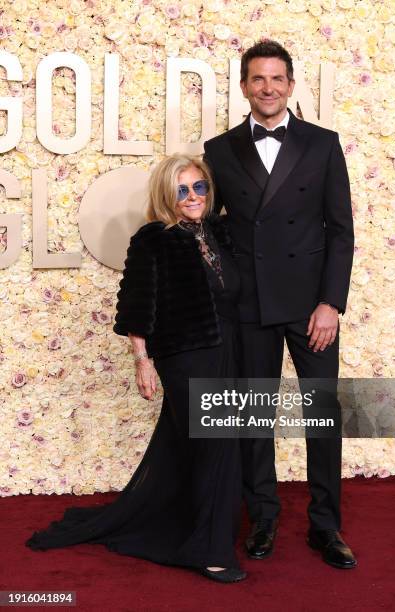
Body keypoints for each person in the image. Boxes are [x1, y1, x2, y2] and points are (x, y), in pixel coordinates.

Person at [25, 155, 247, 583]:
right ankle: (210, 550)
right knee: (215, 444)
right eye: (182, 189)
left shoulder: (219, 231)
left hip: (229, 350)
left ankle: (187, 525)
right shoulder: (153, 240)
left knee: (215, 445)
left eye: (199, 187)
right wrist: (142, 362)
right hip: (184, 354)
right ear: (167, 194)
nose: (193, 197)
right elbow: (136, 306)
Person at [203, 40, 357, 569]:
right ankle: (263, 519)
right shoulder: (219, 149)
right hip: (249, 306)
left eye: (277, 79)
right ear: (245, 85)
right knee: (251, 419)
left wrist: (330, 303)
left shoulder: (322, 144)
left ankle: (325, 527)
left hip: (310, 305)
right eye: (257, 79)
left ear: (291, 84)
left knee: (322, 418)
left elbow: (340, 230)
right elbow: (210, 228)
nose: (267, 89)